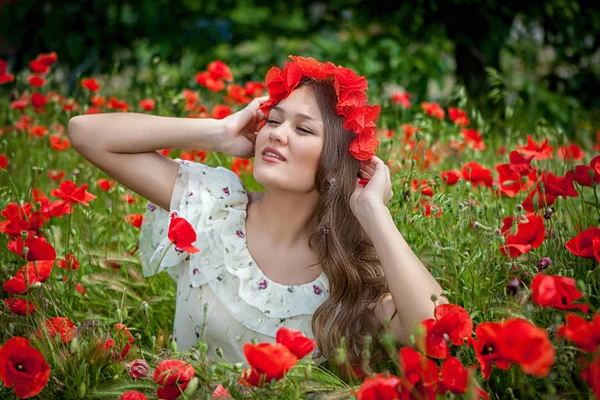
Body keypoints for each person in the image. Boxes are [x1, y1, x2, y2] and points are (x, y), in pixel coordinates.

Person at [68, 55, 447, 369]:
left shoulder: (348, 274)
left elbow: (434, 330)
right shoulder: (215, 207)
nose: (277, 133)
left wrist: (373, 211)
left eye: (304, 130)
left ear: (335, 164)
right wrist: (216, 132)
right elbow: (85, 132)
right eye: (274, 120)